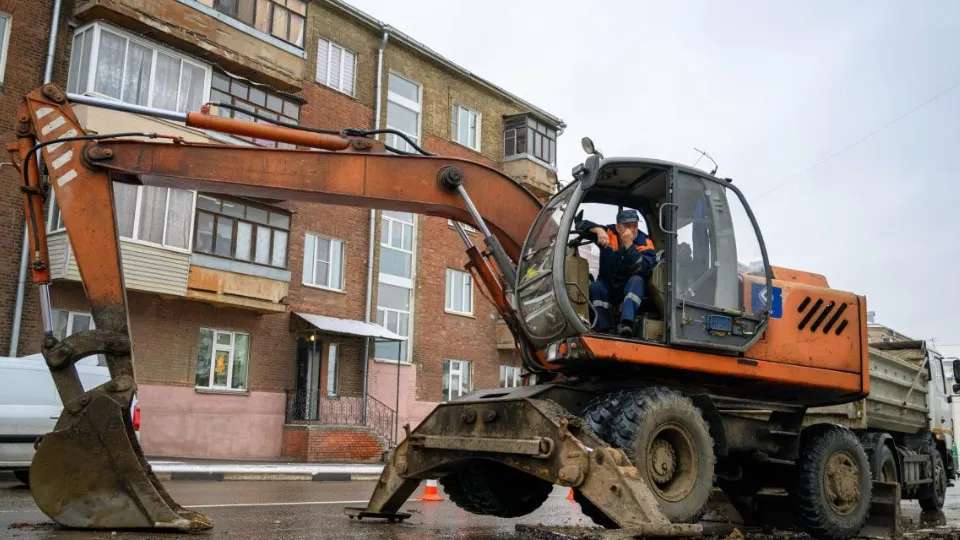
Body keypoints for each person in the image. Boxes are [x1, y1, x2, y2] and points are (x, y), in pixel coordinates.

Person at [577, 209, 657, 337]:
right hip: (608, 285)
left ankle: (626, 324)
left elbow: (641, 268)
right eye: (627, 226)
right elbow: (580, 225)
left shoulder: (645, 242)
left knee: (637, 280)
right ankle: (603, 327)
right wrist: (598, 230)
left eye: (634, 225)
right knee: (596, 286)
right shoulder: (610, 233)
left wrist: (629, 245)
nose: (631, 230)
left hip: (629, 287)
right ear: (618, 227)